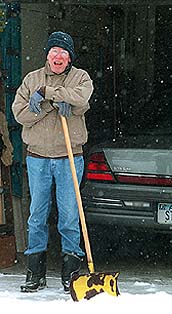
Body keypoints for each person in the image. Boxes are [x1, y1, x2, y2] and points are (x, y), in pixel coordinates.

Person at [12, 31, 94, 293]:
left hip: (70, 156)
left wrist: (48, 92)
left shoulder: (80, 77)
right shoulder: (31, 79)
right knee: (37, 215)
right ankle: (35, 272)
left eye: (64, 52)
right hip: (38, 158)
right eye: (54, 52)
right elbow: (21, 114)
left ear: (70, 58)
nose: (58, 57)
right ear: (47, 54)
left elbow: (81, 98)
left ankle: (70, 272)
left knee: (70, 215)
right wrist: (51, 103)